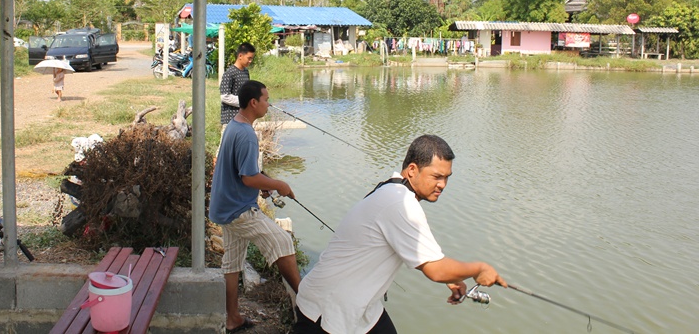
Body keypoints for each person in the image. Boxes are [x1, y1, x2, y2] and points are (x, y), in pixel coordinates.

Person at [293, 134, 506, 334]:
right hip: (326, 311)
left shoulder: (393, 189)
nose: (442, 184)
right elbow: (435, 270)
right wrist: (478, 268)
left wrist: (452, 277)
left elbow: (424, 256)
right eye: (436, 176)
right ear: (412, 170)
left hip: (362, 306)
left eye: (447, 177)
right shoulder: (400, 203)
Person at [209, 80, 301, 334]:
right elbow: (248, 178)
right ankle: (306, 304)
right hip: (238, 210)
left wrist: (263, 181)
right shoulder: (247, 134)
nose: (268, 104)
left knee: (232, 262)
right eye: (266, 100)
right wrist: (279, 184)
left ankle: (233, 318)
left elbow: (245, 172)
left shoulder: (234, 125)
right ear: (254, 103)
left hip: (224, 206)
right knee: (283, 242)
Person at [219, 43, 256, 127]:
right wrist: (244, 102)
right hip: (230, 120)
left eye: (252, 58)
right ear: (240, 56)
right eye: (249, 58)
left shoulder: (246, 72)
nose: (250, 61)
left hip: (243, 118)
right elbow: (224, 96)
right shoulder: (229, 73)